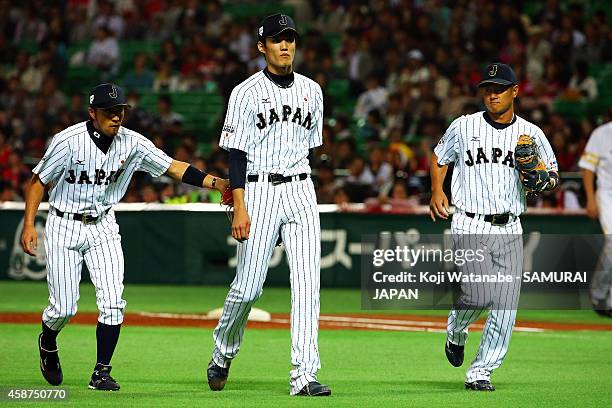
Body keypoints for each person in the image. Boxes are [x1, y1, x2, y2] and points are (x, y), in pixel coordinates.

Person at [21, 83, 229, 391]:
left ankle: (101, 371)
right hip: (64, 224)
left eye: (120, 111)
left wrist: (216, 182)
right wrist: (28, 225)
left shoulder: (133, 143)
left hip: (104, 225)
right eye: (109, 112)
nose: (117, 117)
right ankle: (48, 340)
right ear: (93, 113)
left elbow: (173, 168)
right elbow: (38, 182)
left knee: (113, 303)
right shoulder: (68, 141)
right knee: (63, 308)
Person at [207, 14, 331, 397]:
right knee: (247, 288)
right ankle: (223, 352)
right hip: (258, 191)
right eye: (277, 39)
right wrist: (240, 207)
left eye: (290, 38)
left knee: (308, 285)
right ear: (262, 46)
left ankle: (304, 376)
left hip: (299, 190)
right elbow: (237, 156)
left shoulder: (313, 90)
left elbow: (310, 148)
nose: (285, 45)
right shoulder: (245, 92)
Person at [429, 63, 559, 391]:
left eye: (499, 88)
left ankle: (481, 371)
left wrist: (542, 179)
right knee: (478, 293)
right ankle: (456, 330)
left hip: (510, 226)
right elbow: (439, 156)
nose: (492, 94)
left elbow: (552, 175)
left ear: (515, 91)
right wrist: (437, 190)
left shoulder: (532, 134)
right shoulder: (464, 126)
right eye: (487, 88)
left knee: (504, 306)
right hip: (469, 221)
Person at [579, 119, 612, 317]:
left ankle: (608, 300)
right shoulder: (602, 133)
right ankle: (599, 292)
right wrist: (591, 198)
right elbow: (587, 168)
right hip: (607, 194)